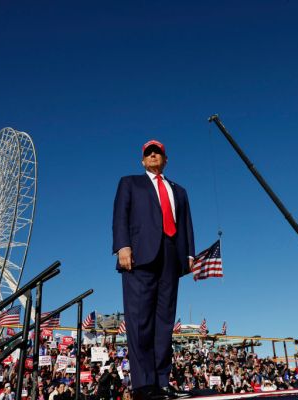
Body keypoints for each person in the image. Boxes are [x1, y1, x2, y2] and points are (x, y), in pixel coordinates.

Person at [113, 140, 195, 400]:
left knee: (164, 322)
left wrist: (189, 254)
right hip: (139, 257)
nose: (152, 156)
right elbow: (120, 216)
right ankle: (143, 385)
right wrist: (123, 246)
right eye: (148, 153)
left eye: (157, 152)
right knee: (140, 321)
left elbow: (186, 224)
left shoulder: (179, 190)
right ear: (142, 160)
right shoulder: (130, 183)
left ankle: (162, 382)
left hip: (171, 257)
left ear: (165, 159)